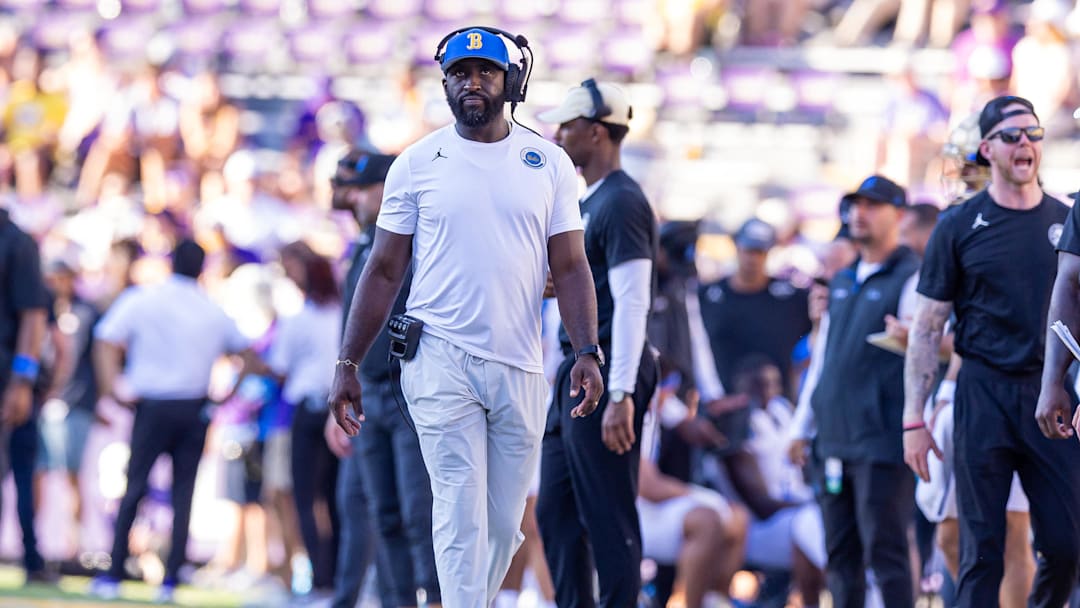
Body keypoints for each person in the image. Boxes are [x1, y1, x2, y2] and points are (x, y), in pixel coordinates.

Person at [327, 27, 604, 608]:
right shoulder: (415, 163)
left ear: (512, 82)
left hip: (522, 363)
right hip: (438, 358)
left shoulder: (549, 164)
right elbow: (381, 271)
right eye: (458, 73)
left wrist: (586, 350)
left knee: (503, 526)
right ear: (445, 82)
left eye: (484, 71)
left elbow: (573, 266)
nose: (471, 82)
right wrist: (347, 362)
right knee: (457, 507)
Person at [905, 95, 1080, 608]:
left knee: (1067, 544)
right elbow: (926, 326)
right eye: (1011, 135)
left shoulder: (1066, 219)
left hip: (1050, 394)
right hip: (982, 393)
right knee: (981, 550)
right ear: (987, 149)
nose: (1025, 143)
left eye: (1033, 133)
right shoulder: (957, 225)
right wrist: (914, 418)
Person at [533, 79, 659, 606]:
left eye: (568, 125)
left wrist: (623, 393)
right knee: (556, 512)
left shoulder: (623, 201)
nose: (559, 134)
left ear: (596, 132)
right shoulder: (590, 200)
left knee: (607, 514)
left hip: (606, 366)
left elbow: (632, 302)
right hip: (581, 367)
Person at [89, 239, 252, 602]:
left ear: (169, 262)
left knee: (134, 489)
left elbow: (104, 339)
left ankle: (115, 572)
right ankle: (170, 579)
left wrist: (111, 389)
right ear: (201, 268)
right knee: (183, 494)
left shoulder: (145, 299)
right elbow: (247, 354)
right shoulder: (211, 308)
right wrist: (225, 395)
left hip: (152, 407)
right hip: (193, 408)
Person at [326, 148, 439, 607]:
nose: (353, 201)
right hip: (369, 392)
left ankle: (434, 597)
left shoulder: (409, 243)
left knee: (418, 512)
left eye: (361, 190)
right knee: (384, 513)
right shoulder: (364, 246)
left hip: (407, 390)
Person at [809, 175, 919, 608]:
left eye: (873, 205)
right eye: (855, 205)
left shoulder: (914, 277)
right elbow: (824, 359)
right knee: (840, 558)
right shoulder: (842, 278)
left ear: (900, 215)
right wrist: (805, 426)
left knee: (886, 552)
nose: (860, 213)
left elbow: (930, 357)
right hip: (834, 438)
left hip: (881, 440)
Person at [699, 218, 811, 401]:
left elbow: (818, 333)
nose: (753, 259)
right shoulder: (709, 296)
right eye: (749, 250)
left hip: (776, 403)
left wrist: (799, 371)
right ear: (736, 246)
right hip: (722, 403)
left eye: (760, 252)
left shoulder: (791, 298)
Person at [0, 205, 49, 582]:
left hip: (5, 377)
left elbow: (34, 317)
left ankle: (31, 559)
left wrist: (21, 382)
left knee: (17, 471)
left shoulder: (16, 242)